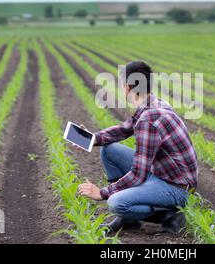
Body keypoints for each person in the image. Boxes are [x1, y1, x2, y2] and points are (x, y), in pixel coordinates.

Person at [76, 61, 198, 233]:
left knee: (115, 202)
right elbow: (125, 128)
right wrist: (92, 138)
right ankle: (128, 221)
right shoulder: (155, 104)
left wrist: (102, 193)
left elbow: (138, 174)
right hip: (164, 174)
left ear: (127, 87)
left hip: (176, 188)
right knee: (109, 150)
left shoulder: (149, 119)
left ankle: (170, 216)